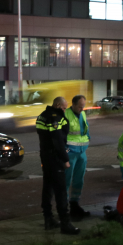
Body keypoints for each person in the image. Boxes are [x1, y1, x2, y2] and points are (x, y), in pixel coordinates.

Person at [36, 96, 80, 235]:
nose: (65, 110)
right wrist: (65, 159)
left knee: (47, 187)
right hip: (55, 158)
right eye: (64, 107)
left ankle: (48, 219)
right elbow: (58, 141)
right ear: (58, 105)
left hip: (45, 156)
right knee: (61, 191)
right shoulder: (57, 118)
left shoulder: (42, 116)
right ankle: (65, 224)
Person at [64, 94, 91, 219]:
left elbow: (85, 130)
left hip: (81, 152)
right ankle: (64, 209)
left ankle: (75, 205)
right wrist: (65, 151)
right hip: (70, 152)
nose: (82, 109)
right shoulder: (66, 115)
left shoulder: (83, 114)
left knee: (79, 180)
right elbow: (60, 135)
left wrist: (87, 142)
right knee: (66, 181)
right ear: (73, 105)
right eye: (80, 107)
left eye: (83, 106)